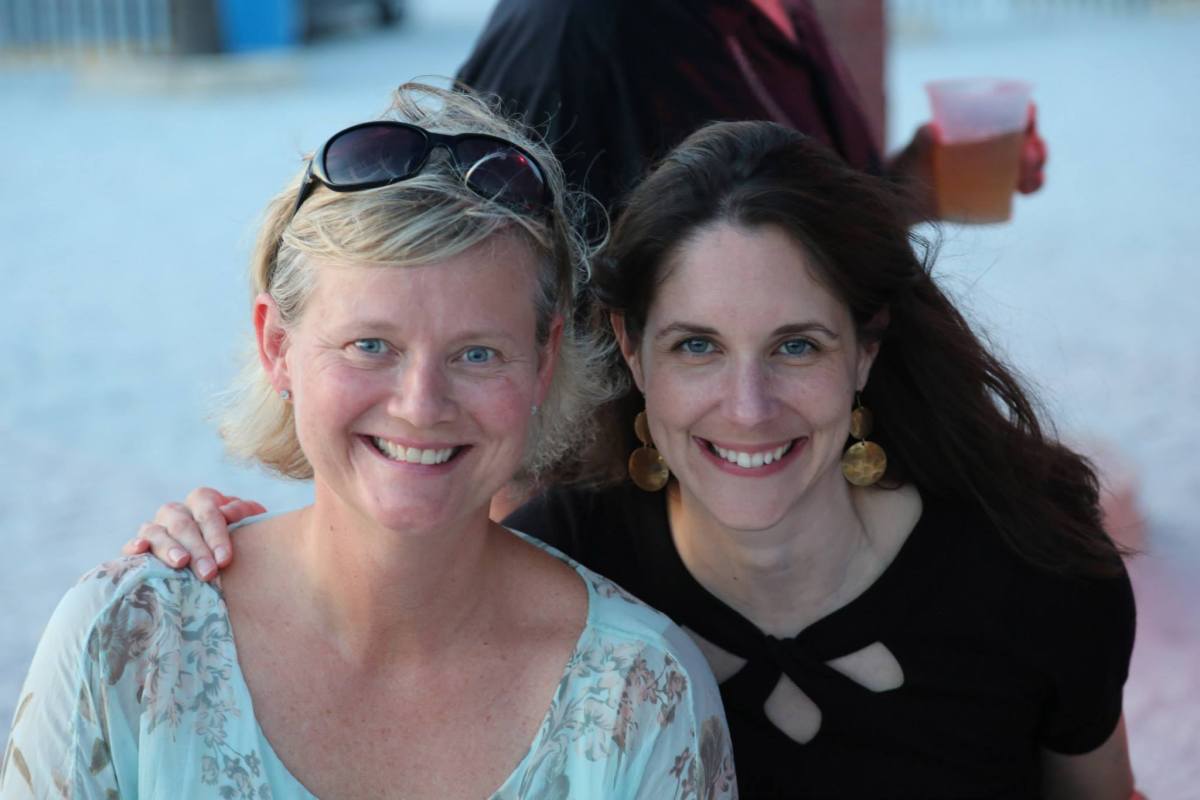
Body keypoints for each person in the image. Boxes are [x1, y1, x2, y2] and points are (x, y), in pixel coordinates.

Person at [121, 120, 1138, 798]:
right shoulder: (564, 564)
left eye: (796, 346)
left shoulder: (1036, 574)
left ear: (866, 349)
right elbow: (378, 566)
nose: (748, 407)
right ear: (632, 351)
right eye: (697, 346)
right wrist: (205, 549)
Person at [0, 84, 737, 800]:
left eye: (476, 353)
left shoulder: (641, 696)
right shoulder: (127, 645)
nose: (421, 406)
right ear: (277, 346)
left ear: (544, 361)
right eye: (370, 345)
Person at [454, 0, 1047, 221]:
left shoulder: (784, 11)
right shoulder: (574, 27)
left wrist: (906, 192)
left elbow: (797, 237)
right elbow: (480, 293)